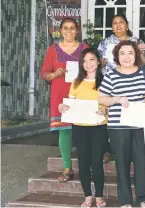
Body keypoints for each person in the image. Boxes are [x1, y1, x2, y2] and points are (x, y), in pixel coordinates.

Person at [98, 40, 145, 208]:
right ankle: (125, 200)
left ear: (136, 55)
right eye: (122, 53)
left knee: (141, 162)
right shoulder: (111, 75)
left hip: (140, 126)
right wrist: (116, 99)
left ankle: (142, 198)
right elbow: (101, 98)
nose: (127, 57)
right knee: (122, 163)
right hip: (118, 127)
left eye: (130, 53)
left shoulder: (144, 73)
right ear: (117, 56)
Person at [40, 18, 88, 183]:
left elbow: (92, 69)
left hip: (81, 93)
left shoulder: (84, 48)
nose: (69, 31)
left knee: (84, 130)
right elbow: (45, 73)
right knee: (64, 130)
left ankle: (86, 166)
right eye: (66, 28)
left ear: (77, 30)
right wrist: (54, 74)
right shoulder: (53, 49)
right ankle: (67, 167)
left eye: (72, 28)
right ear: (61, 31)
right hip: (60, 93)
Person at [58, 48, 108, 207]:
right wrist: (63, 107)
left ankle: (99, 195)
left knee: (96, 162)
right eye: (85, 61)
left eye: (92, 59)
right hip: (79, 127)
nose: (88, 64)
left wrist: (106, 109)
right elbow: (69, 103)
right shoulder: (76, 82)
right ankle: (87, 196)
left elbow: (110, 104)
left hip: (98, 126)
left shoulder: (106, 80)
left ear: (98, 61)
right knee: (83, 162)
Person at [97, 14, 145, 163]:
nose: (118, 25)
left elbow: (144, 64)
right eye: (115, 23)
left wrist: (139, 52)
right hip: (111, 85)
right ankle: (110, 149)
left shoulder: (136, 41)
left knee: (132, 119)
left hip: (133, 85)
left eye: (121, 22)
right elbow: (97, 63)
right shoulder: (105, 43)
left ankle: (132, 150)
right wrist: (101, 63)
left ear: (127, 24)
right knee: (112, 118)